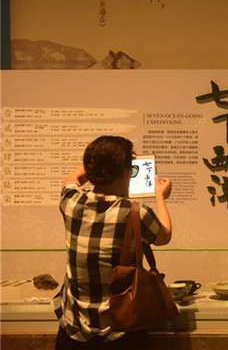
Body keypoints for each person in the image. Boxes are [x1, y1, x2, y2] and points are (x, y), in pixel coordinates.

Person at [52, 136, 172, 350]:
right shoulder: (135, 212)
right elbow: (165, 235)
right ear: (125, 172)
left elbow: (72, 178)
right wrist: (160, 196)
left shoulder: (70, 201)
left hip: (73, 330)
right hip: (122, 330)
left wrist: (103, 160)